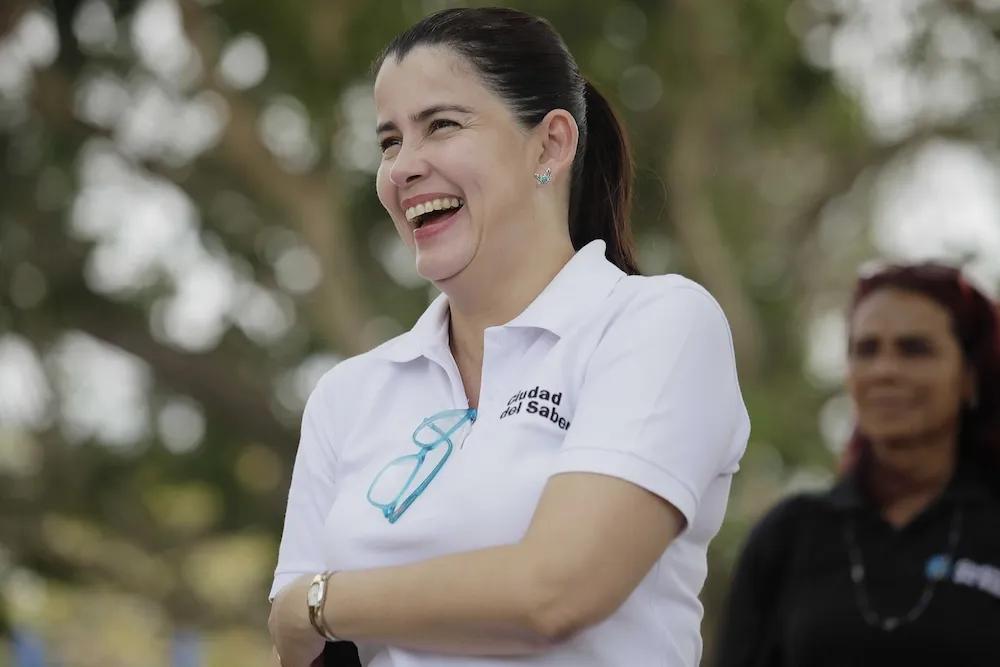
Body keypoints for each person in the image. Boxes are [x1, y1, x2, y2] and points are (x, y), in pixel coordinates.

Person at [268, 7, 750, 667]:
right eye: (388, 141)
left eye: (441, 125)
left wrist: (321, 601)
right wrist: (307, 614)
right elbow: (300, 652)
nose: (404, 167)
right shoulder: (347, 395)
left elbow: (554, 592)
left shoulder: (657, 323)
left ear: (550, 144)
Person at [714, 263, 1000, 667]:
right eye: (866, 350)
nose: (884, 370)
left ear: (970, 376)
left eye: (914, 349)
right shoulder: (788, 537)